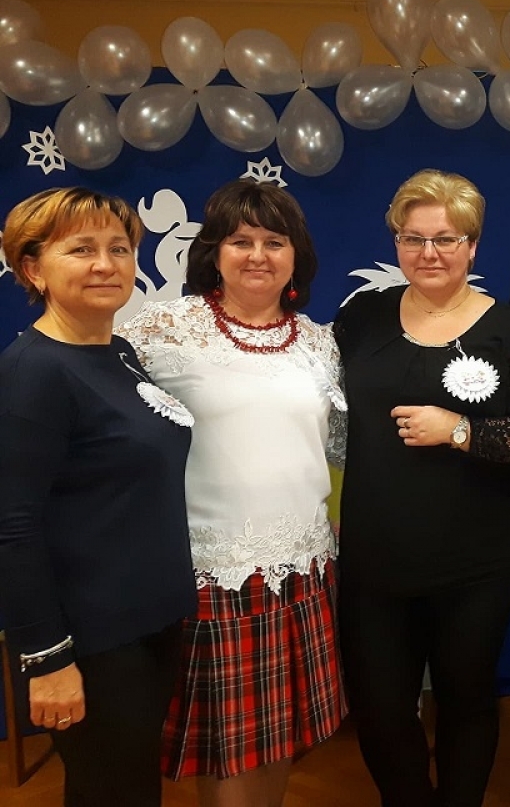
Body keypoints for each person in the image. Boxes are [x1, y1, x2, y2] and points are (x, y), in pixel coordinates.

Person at [118, 179, 346, 807]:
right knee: (229, 752)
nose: (258, 256)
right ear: (213, 252)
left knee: (277, 743)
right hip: (211, 574)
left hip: (302, 569)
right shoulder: (164, 329)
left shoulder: (320, 342)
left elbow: (337, 449)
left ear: (296, 256)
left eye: (275, 242)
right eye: (241, 241)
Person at [335, 169, 510, 807]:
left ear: (472, 246)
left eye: (446, 239)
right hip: (376, 556)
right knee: (380, 708)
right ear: (397, 243)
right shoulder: (361, 317)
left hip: (475, 561)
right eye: (413, 238)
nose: (428, 252)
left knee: (466, 699)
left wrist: (459, 430)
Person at [0, 187, 196, 806]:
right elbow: (12, 527)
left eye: (118, 248)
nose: (105, 264)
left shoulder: (118, 352)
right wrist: (46, 659)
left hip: (148, 621)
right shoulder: (33, 373)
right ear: (33, 268)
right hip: (91, 636)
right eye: (81, 249)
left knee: (131, 786)